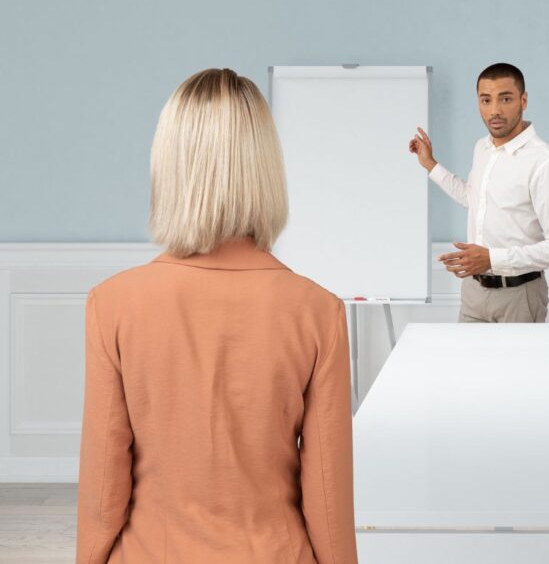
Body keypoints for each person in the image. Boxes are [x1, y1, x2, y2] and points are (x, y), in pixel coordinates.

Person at [76, 69, 357, 564]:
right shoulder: (318, 311)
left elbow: (103, 494)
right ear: (265, 169)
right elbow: (329, 502)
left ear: (170, 167)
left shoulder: (113, 304)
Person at [408, 62, 549, 323]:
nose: (494, 110)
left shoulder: (546, 163)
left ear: (524, 100)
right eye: (486, 100)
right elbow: (472, 197)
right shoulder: (482, 148)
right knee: (467, 365)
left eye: (506, 99)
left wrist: (491, 258)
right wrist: (430, 164)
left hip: (519, 295)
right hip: (473, 291)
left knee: (516, 366)